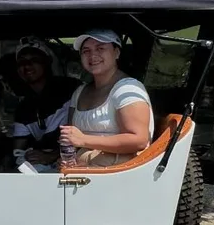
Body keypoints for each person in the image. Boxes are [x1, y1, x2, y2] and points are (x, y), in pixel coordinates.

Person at [59, 30, 154, 168]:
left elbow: (138, 140)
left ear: (117, 52)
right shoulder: (79, 92)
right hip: (81, 172)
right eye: (86, 51)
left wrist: (84, 140)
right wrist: (66, 159)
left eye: (100, 48)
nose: (93, 55)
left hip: (117, 175)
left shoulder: (128, 89)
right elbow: (71, 138)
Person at [11, 38, 81, 172]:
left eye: (34, 60)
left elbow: (90, 131)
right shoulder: (24, 107)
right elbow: (18, 149)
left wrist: (52, 156)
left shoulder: (72, 89)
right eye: (22, 62)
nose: (27, 66)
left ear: (47, 62)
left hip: (75, 165)